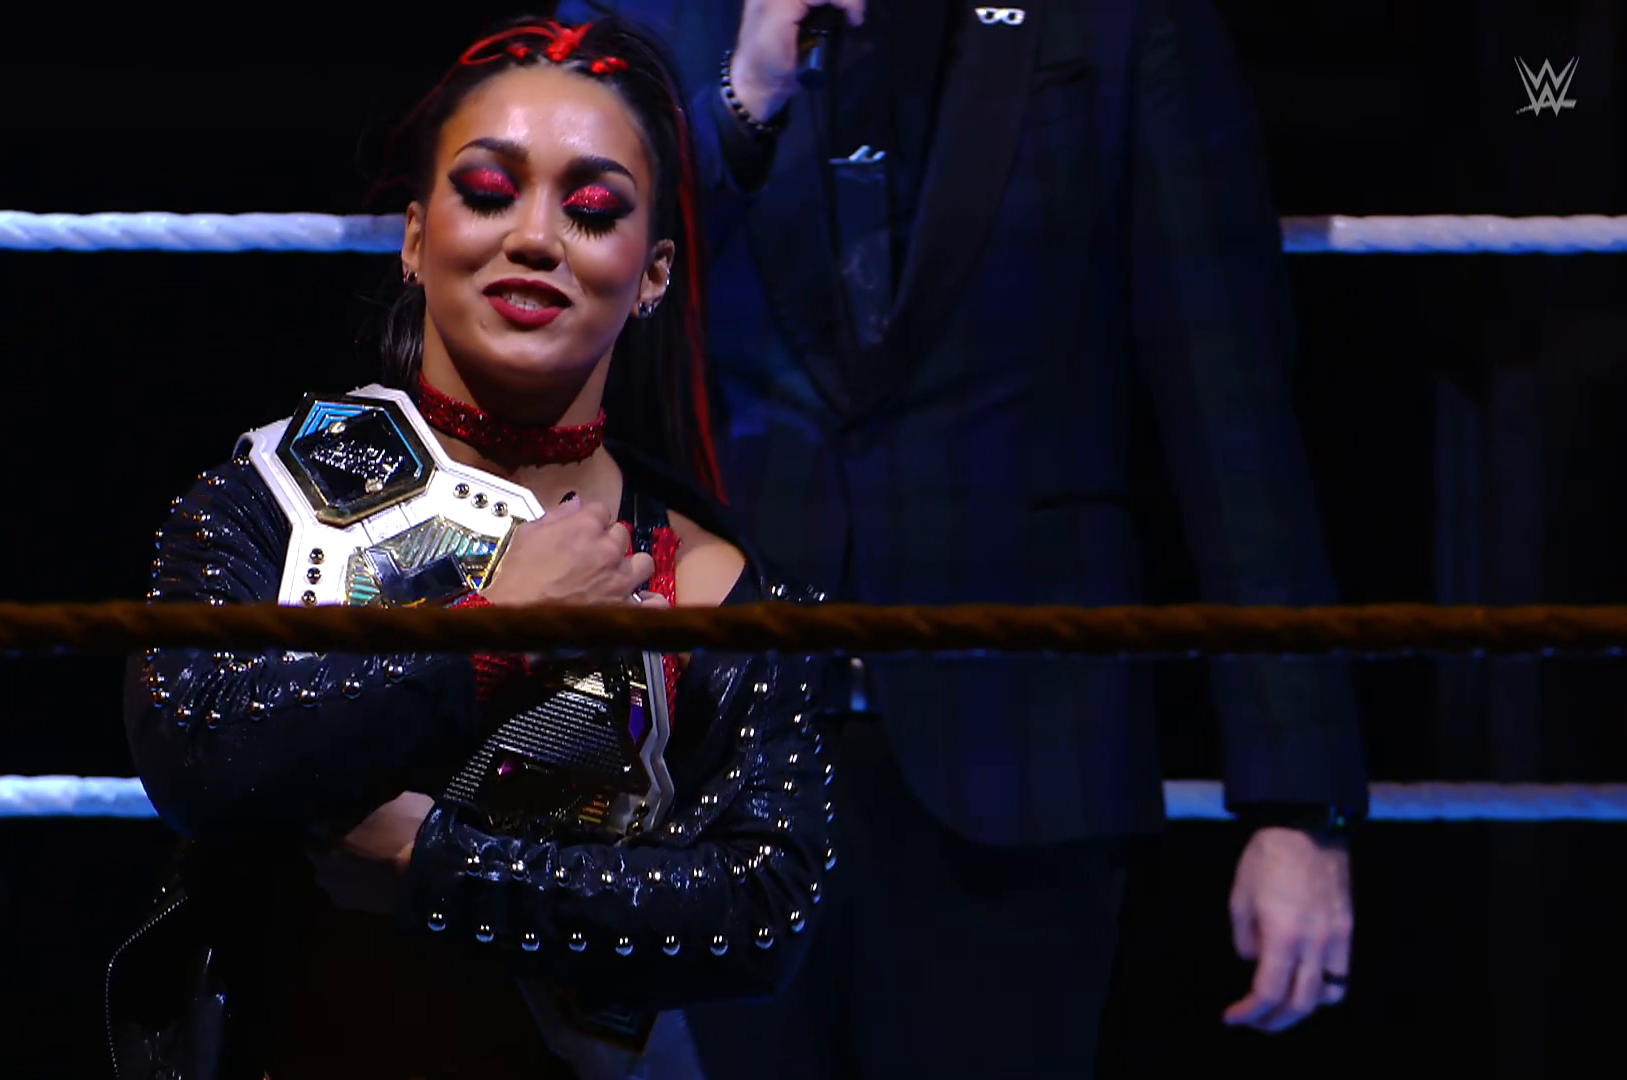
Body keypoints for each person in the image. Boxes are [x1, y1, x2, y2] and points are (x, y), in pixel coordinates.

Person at [553, 0, 1370, 1076]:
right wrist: (741, 104)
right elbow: (558, 313)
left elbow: (1234, 413)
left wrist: (1298, 807)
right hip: (703, 751)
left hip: (1024, 749)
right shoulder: (639, 17)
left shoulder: (1121, 23)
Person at [109, 16, 840, 1079]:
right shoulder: (266, 495)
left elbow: (762, 915)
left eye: (592, 209)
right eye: (491, 192)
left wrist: (437, 870)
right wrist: (493, 636)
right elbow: (196, 755)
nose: (535, 238)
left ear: (654, 273)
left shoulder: (721, 584)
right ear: (414, 238)